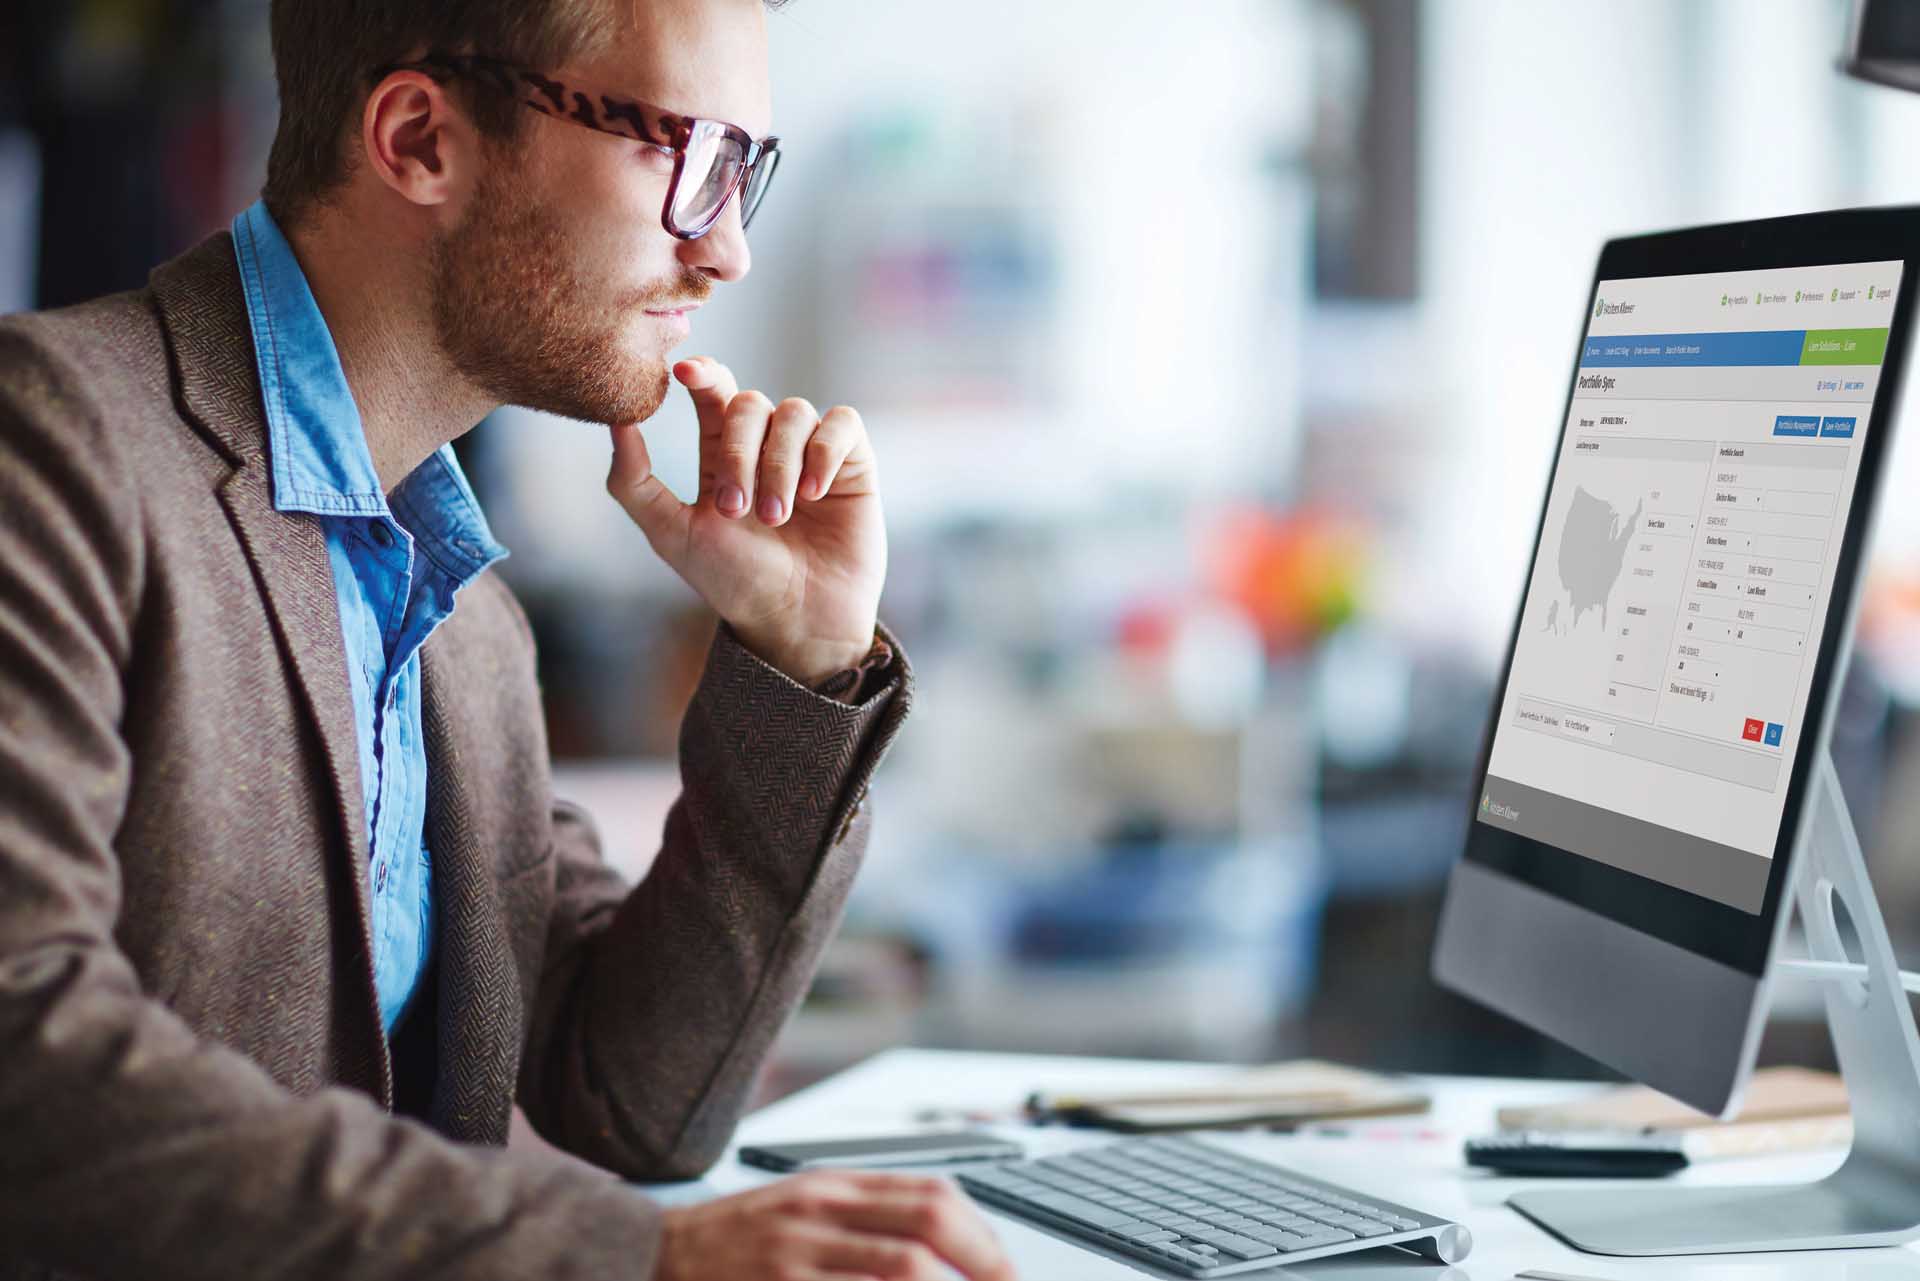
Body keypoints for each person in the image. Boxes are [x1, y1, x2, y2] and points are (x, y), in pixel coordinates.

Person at [0, 0, 1015, 1277]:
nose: (729, 251)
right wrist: (636, 1260)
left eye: (746, 172)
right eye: (690, 156)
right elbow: (24, 1072)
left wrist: (803, 659)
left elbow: (640, 1102)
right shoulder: (46, 448)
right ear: (423, 138)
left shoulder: (460, 608)